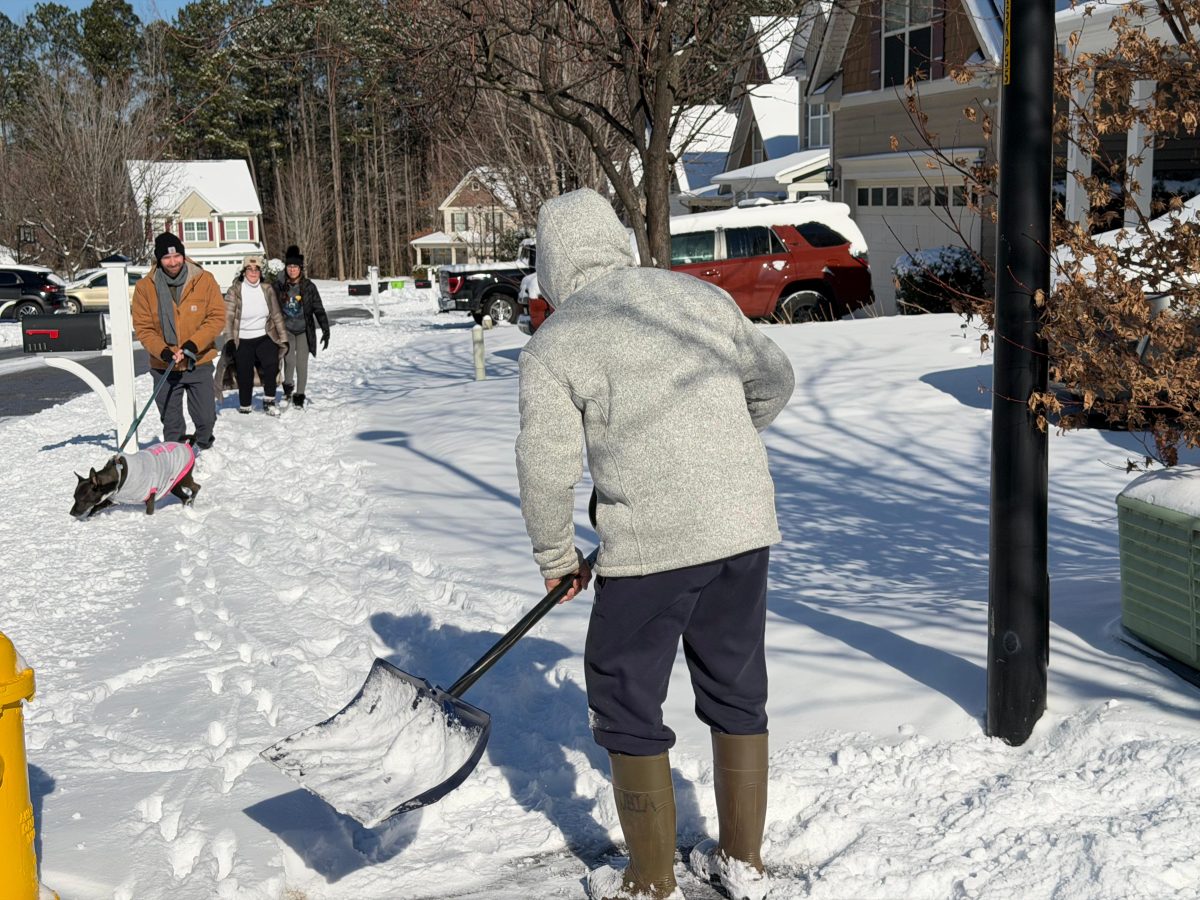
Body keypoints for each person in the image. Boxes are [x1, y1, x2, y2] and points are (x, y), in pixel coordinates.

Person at [514, 189, 794, 900]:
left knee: (623, 690)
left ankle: (649, 881)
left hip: (653, 545)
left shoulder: (558, 341)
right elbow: (774, 378)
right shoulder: (694, 297)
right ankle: (743, 863)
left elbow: (545, 466)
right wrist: (720, 452)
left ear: (551, 265)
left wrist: (556, 558)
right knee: (735, 683)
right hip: (742, 526)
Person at [132, 233, 226, 450]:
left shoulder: (204, 280)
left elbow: (216, 317)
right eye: (166, 258)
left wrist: (193, 345)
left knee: (206, 418)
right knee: (172, 425)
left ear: (183, 256)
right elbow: (144, 328)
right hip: (164, 366)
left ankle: (203, 446)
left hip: (198, 361)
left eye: (177, 256)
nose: (173, 262)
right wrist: (163, 351)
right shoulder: (145, 288)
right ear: (158, 259)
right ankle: (176, 462)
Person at [218, 255, 288, 415]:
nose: (253, 272)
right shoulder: (235, 290)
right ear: (244, 271)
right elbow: (227, 317)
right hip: (242, 338)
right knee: (244, 372)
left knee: (272, 365)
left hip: (264, 336)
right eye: (250, 269)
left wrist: (283, 338)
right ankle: (245, 406)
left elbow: (276, 315)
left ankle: (269, 401)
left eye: (256, 269)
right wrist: (229, 340)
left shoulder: (267, 289)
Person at [276, 244, 330, 409]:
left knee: (301, 364)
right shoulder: (279, 285)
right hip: (286, 330)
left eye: (295, 267)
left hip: (303, 331)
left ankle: (299, 396)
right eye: (289, 266)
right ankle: (287, 390)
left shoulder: (308, 287)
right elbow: (267, 301)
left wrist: (326, 329)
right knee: (289, 360)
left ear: (301, 268)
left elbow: (318, 308)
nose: (292, 270)